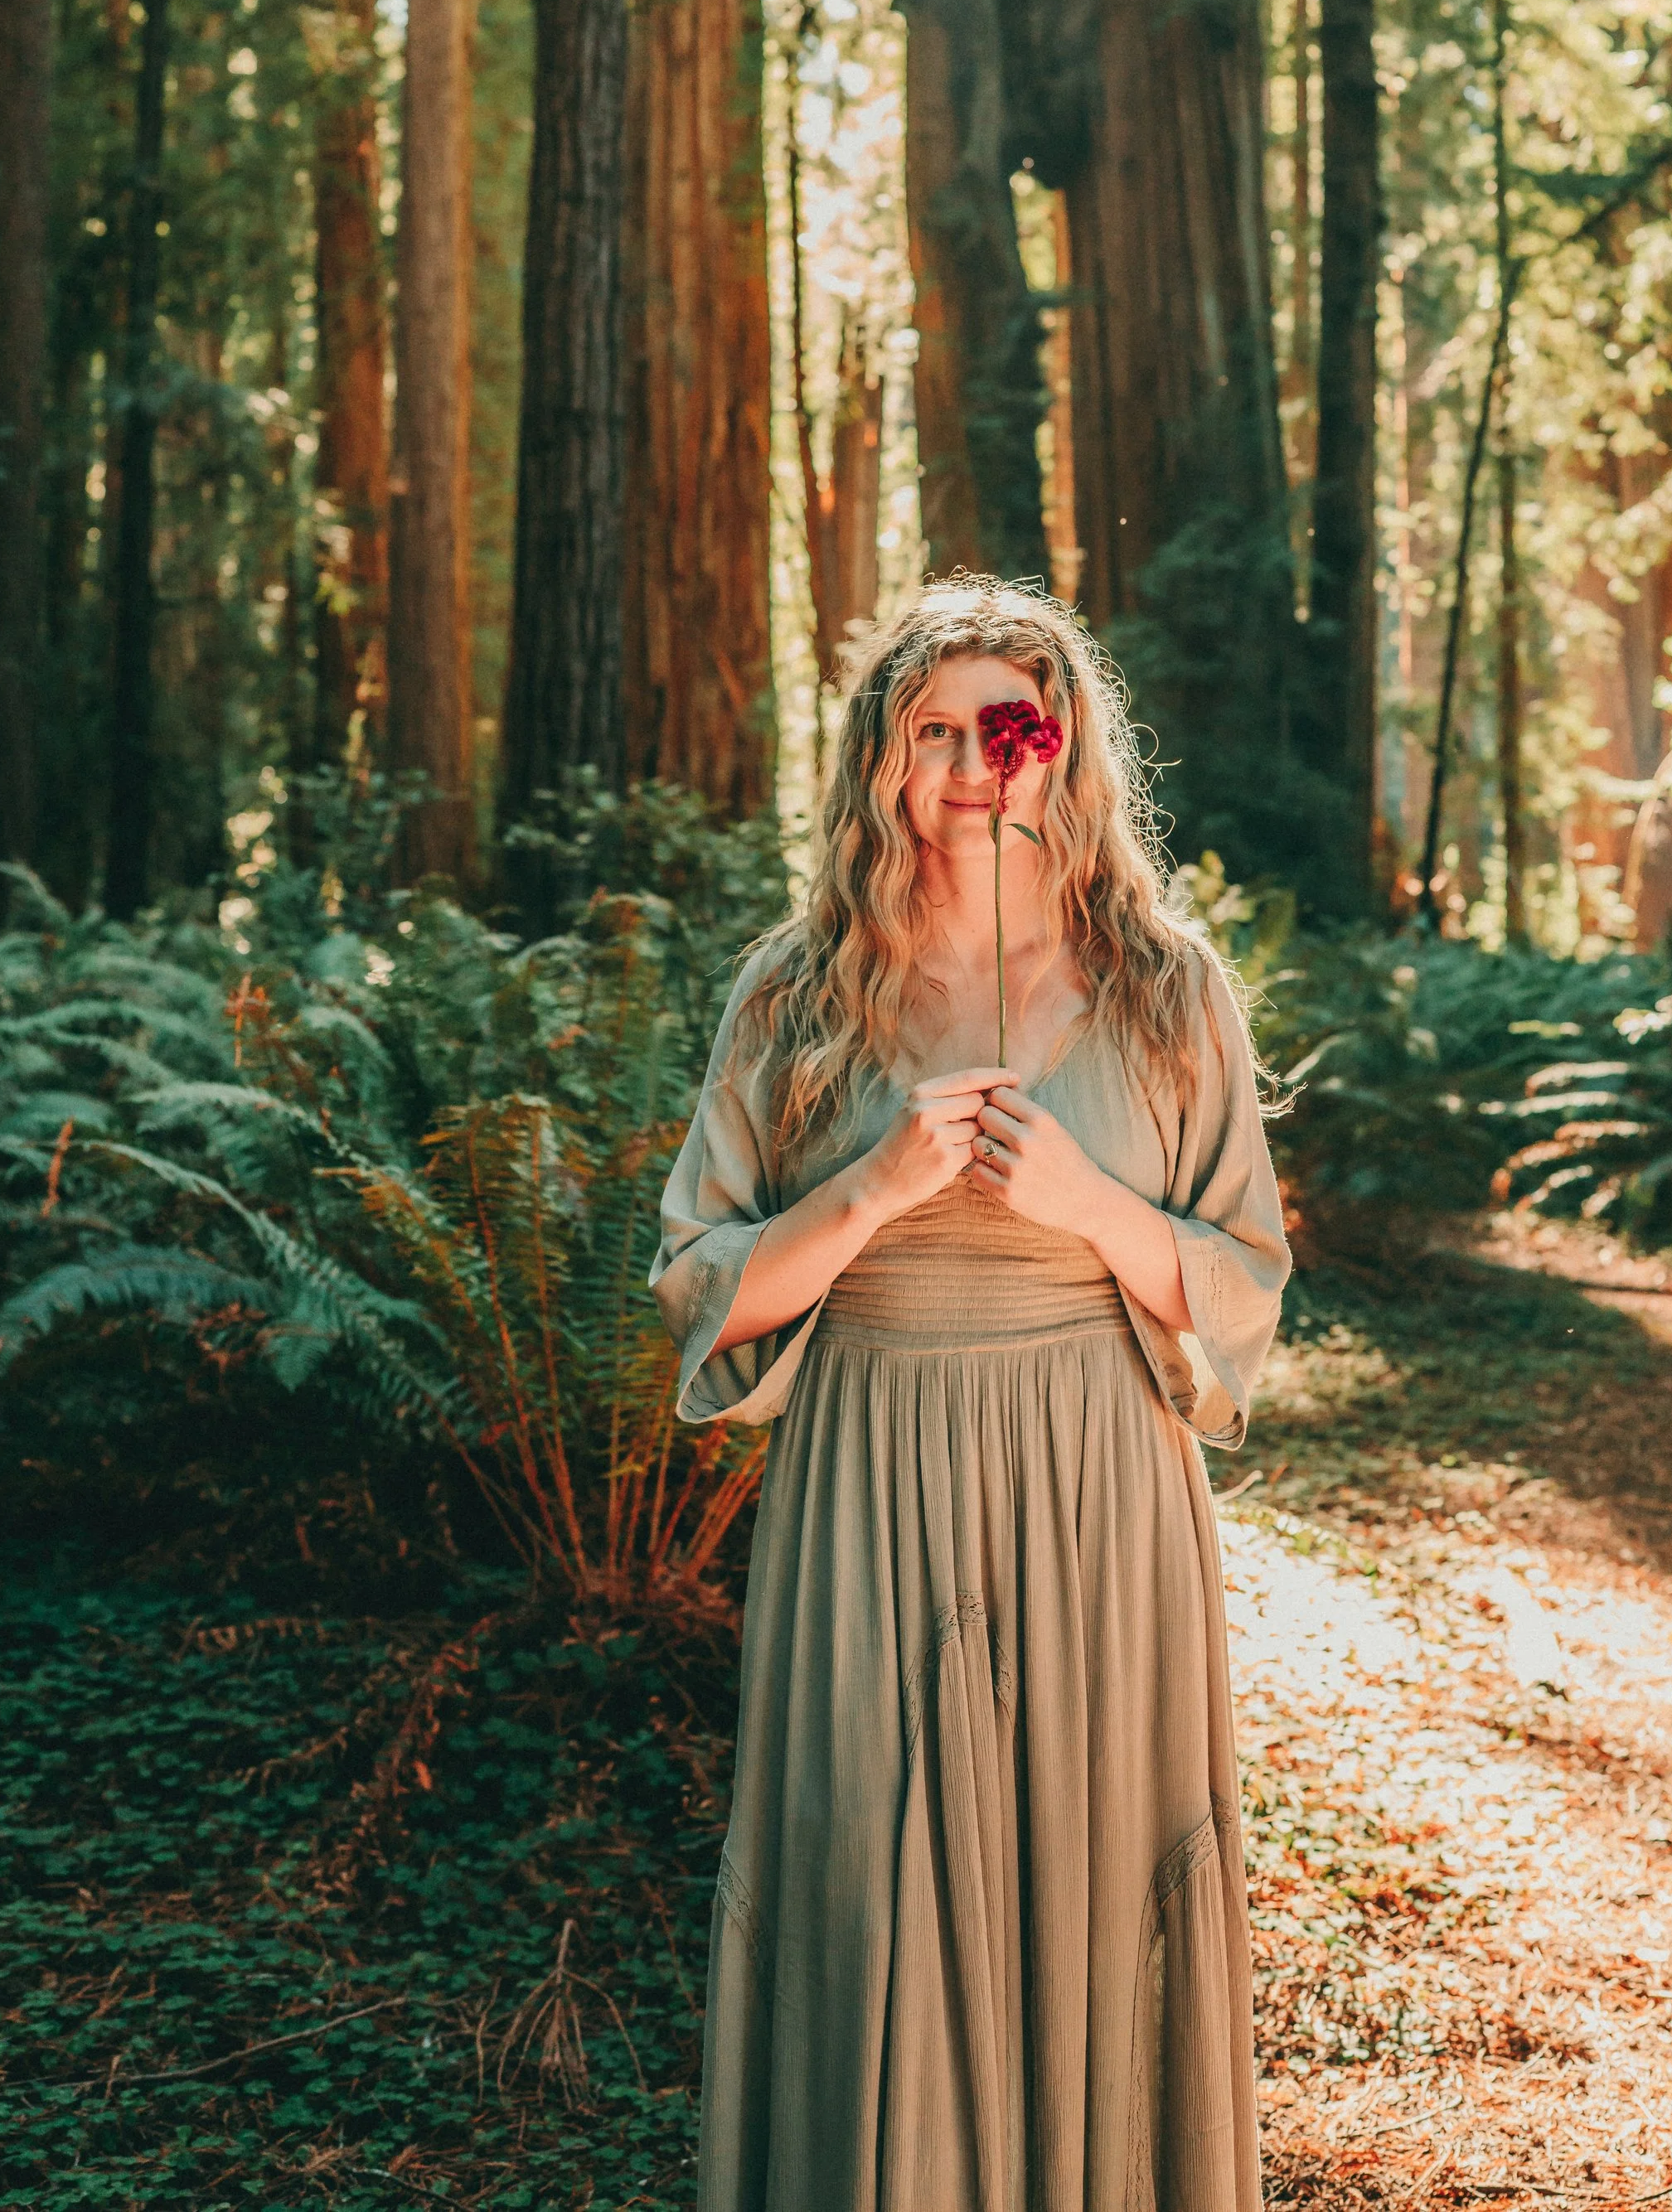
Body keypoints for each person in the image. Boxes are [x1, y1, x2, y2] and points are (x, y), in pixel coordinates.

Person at [652, 578, 1292, 2211]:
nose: (964, 766)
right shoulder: (792, 993)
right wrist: (869, 1188)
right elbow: (703, 1286)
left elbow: (1238, 1286)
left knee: (1091, 1875)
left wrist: (1089, 1203)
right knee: (866, 1877)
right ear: (879, 754)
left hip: (1096, 1481)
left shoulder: (1164, 989)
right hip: (867, 1476)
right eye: (928, 729)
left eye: (998, 728)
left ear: (1058, 749)